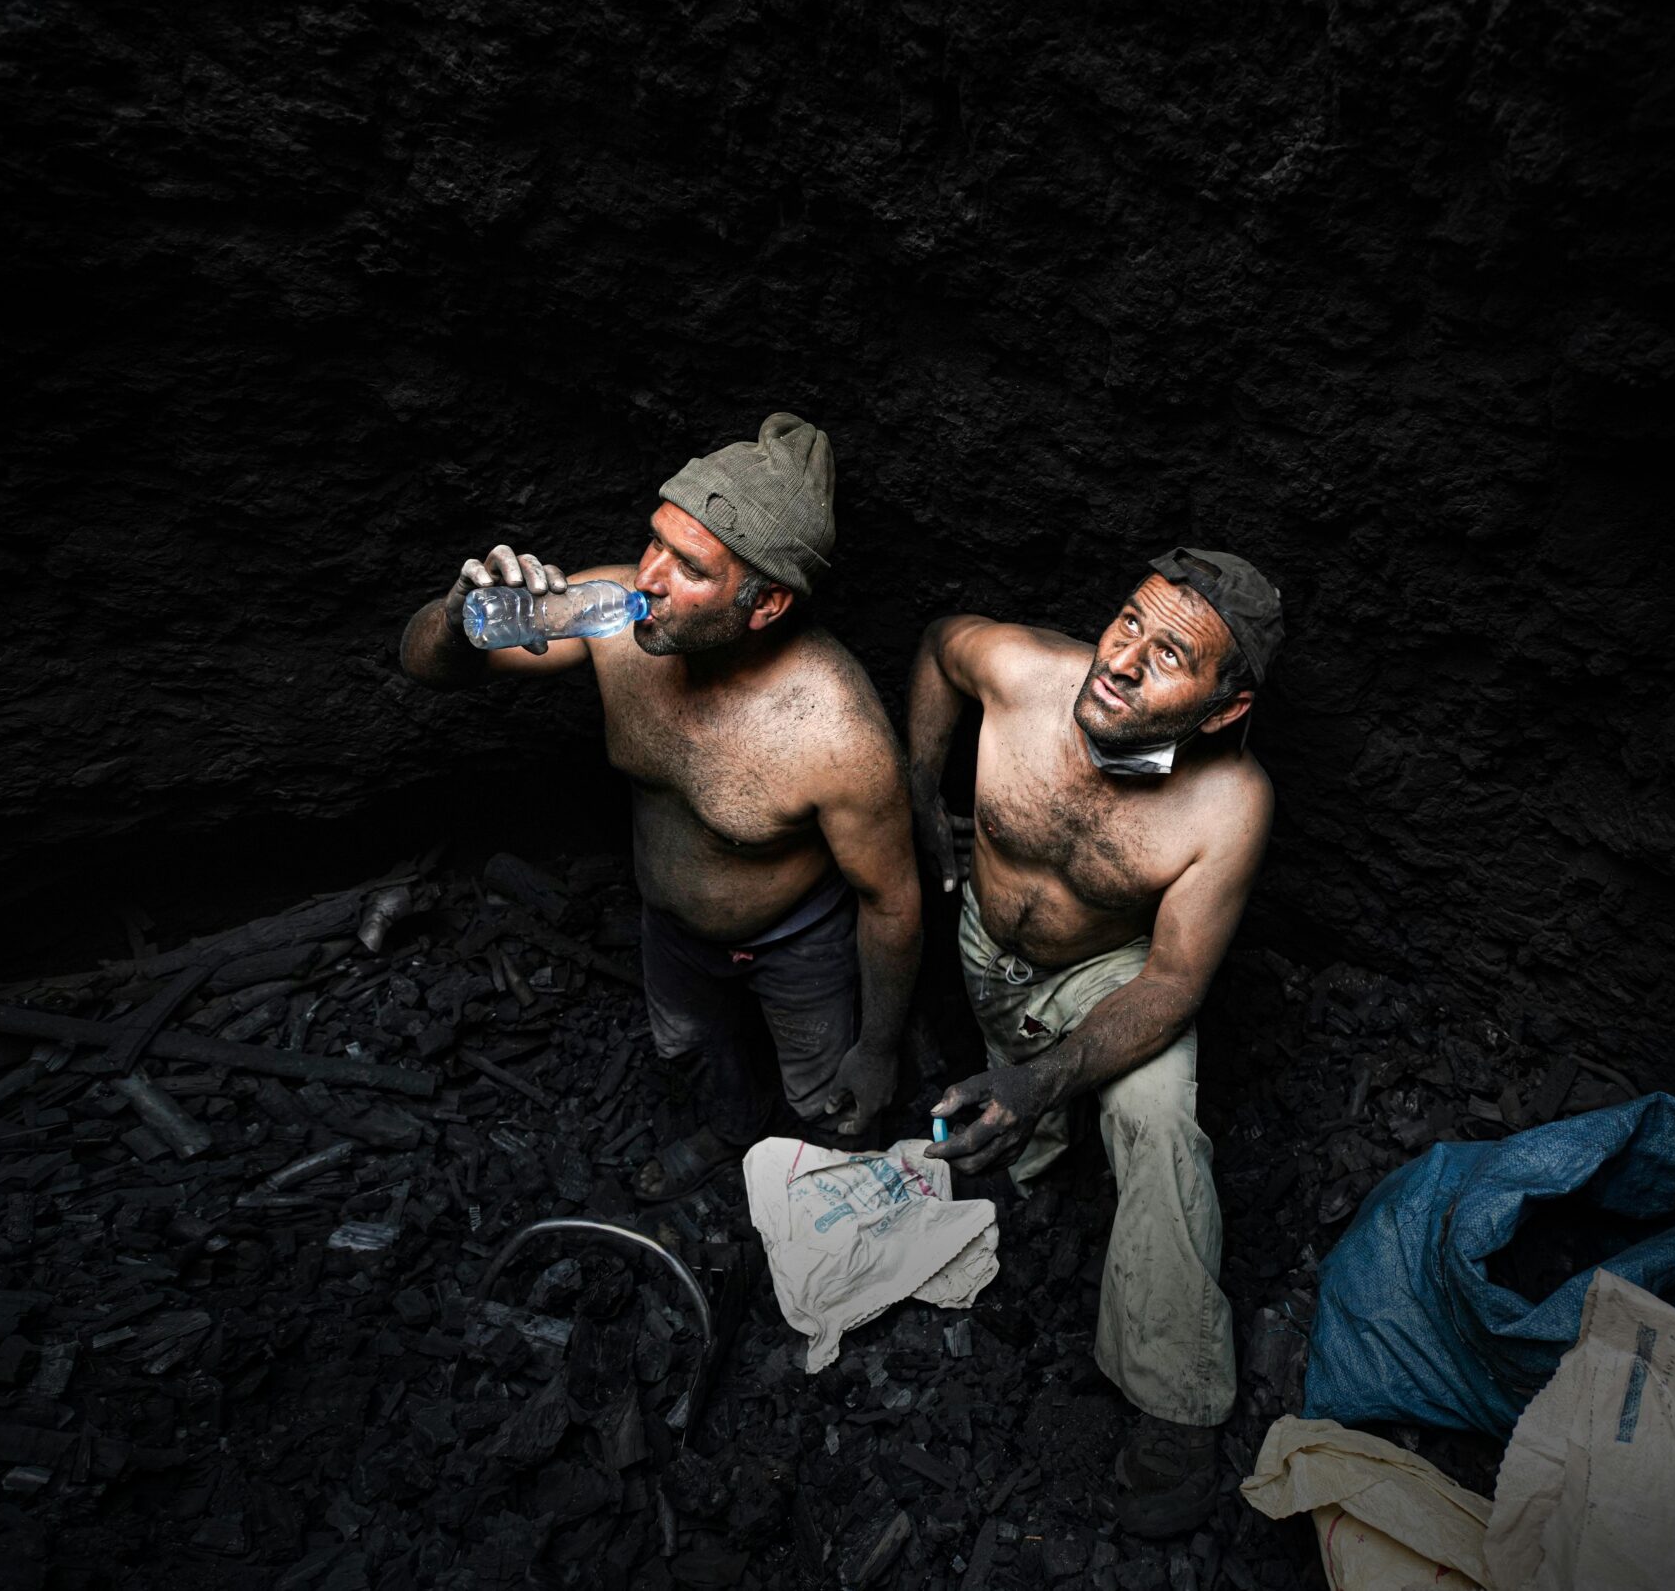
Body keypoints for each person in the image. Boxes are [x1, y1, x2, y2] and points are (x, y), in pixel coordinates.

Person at [398, 414, 922, 1199]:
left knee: (827, 1086)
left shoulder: (837, 733)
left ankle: (832, 1187)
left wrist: (879, 1049)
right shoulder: (613, 620)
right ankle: (732, 1130)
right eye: (654, 541)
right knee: (691, 1049)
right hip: (669, 927)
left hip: (798, 942)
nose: (647, 576)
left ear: (767, 602)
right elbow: (427, 667)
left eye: (689, 566)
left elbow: (892, 901)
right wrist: (454, 615)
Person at [907, 547, 1282, 1538]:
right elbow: (939, 643)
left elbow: (1170, 981)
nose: (1119, 659)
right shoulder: (1020, 671)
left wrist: (1053, 1075)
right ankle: (1026, 1161)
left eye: (1168, 655)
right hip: (983, 944)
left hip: (1105, 976)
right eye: (1126, 623)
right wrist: (914, 790)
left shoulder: (1226, 806)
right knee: (1012, 1149)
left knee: (1158, 1119)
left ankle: (1175, 1403)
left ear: (1220, 710)